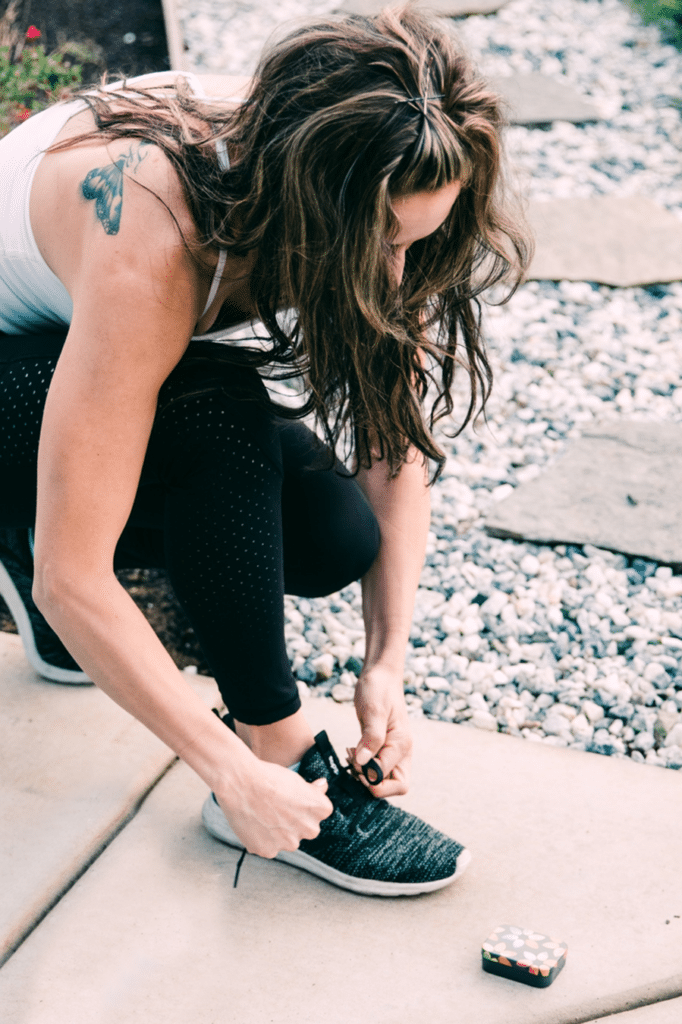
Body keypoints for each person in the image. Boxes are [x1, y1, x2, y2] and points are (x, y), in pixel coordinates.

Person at [0, 6, 528, 895]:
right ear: (308, 201)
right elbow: (73, 573)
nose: (399, 277)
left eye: (417, 242)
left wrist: (386, 661)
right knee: (217, 414)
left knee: (331, 534)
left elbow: (392, 449)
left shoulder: (376, 150)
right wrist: (231, 773)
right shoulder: (156, 234)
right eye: (382, 244)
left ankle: (22, 528)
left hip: (56, 354)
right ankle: (277, 748)